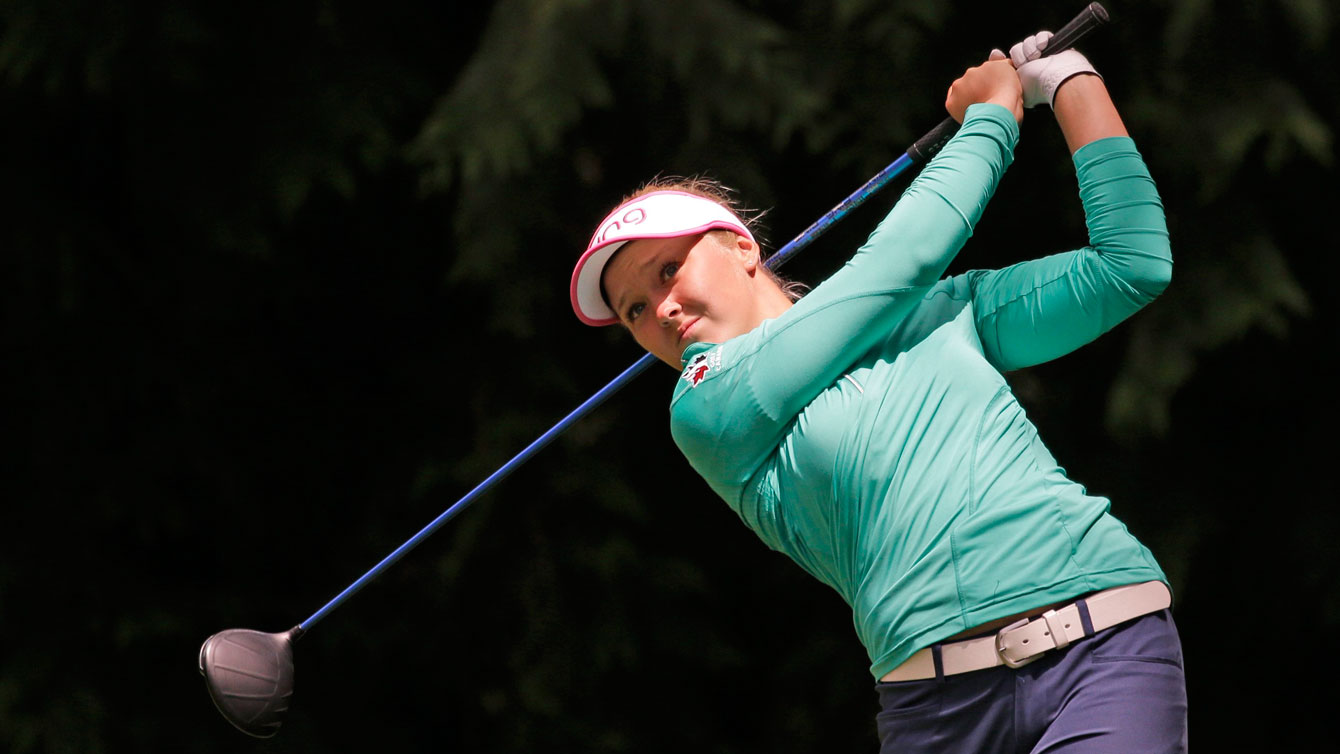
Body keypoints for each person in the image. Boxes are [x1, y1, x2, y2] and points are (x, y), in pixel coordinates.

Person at [570, 32, 1186, 754]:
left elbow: (1129, 266)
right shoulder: (707, 409)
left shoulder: (941, 312)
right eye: (634, 309)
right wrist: (992, 118)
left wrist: (1066, 81)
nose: (660, 309)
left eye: (667, 269)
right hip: (935, 713)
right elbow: (899, 262)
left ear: (742, 249)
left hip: (1103, 646)